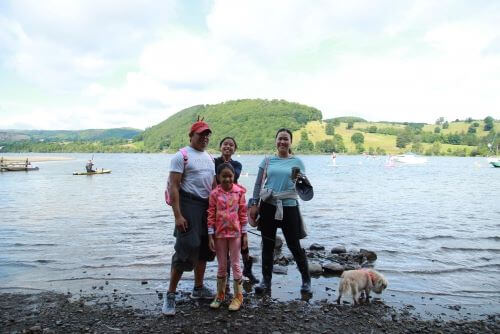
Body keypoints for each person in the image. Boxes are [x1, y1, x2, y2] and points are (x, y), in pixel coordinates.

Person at [162, 119, 216, 316]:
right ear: (191, 136)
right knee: (186, 247)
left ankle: (198, 288)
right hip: (188, 204)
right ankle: (170, 294)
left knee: (204, 248)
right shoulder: (181, 156)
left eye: (207, 135)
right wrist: (178, 215)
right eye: (201, 134)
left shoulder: (209, 157)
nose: (205, 138)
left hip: (206, 206)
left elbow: (215, 185)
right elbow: (174, 186)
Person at [248, 128, 312, 295]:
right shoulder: (267, 161)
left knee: (294, 245)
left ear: (290, 142)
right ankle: (265, 281)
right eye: (280, 139)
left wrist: (302, 182)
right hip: (268, 205)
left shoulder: (297, 162)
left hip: (289, 206)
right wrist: (254, 204)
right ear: (275, 141)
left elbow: (301, 186)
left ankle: (306, 280)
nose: (282, 142)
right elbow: (257, 185)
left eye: (286, 139)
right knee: (267, 245)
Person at [214, 137, 259, 284]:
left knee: (241, 238)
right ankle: (225, 276)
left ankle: (247, 269)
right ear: (220, 146)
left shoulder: (237, 164)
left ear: (235, 149)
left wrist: (224, 164)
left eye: (231, 145)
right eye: (225, 144)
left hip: (235, 204)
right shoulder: (213, 161)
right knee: (223, 240)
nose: (228, 146)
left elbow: (235, 175)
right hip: (219, 204)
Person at [207, 163, 248, 311]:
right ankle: (220, 295)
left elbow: (243, 214)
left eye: (230, 176)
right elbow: (211, 214)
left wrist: (245, 235)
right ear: (218, 177)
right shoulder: (214, 194)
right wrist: (210, 235)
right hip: (219, 235)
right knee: (222, 265)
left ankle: (238, 297)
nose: (227, 179)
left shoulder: (239, 192)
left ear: (234, 177)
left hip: (236, 234)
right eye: (223, 176)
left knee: (236, 264)